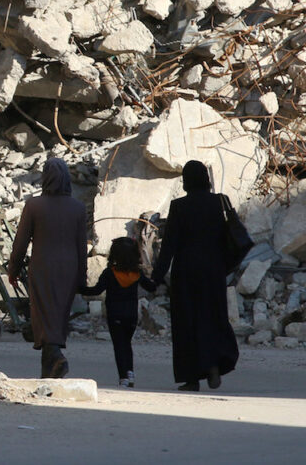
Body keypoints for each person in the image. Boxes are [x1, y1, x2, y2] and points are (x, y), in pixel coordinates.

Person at [149, 160, 239, 391]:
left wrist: (156, 278)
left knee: (187, 323)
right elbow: (226, 239)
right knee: (212, 318)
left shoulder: (179, 206)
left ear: (186, 181)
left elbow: (169, 246)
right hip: (213, 271)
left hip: (186, 273)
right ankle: (214, 364)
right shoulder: (216, 203)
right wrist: (225, 267)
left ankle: (191, 378)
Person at [8, 157, 87, 379]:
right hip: (69, 268)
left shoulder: (34, 205)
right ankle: (49, 370)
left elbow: (21, 242)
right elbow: (82, 247)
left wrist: (13, 269)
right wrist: (82, 278)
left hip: (42, 266)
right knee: (58, 316)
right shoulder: (78, 208)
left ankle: (56, 356)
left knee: (42, 315)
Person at [80, 236, 156, 387]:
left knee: (119, 345)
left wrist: (77, 288)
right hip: (132, 316)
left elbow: (95, 290)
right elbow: (152, 287)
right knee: (127, 344)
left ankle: (123, 377)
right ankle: (130, 374)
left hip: (115, 314)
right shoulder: (137, 274)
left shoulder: (109, 273)